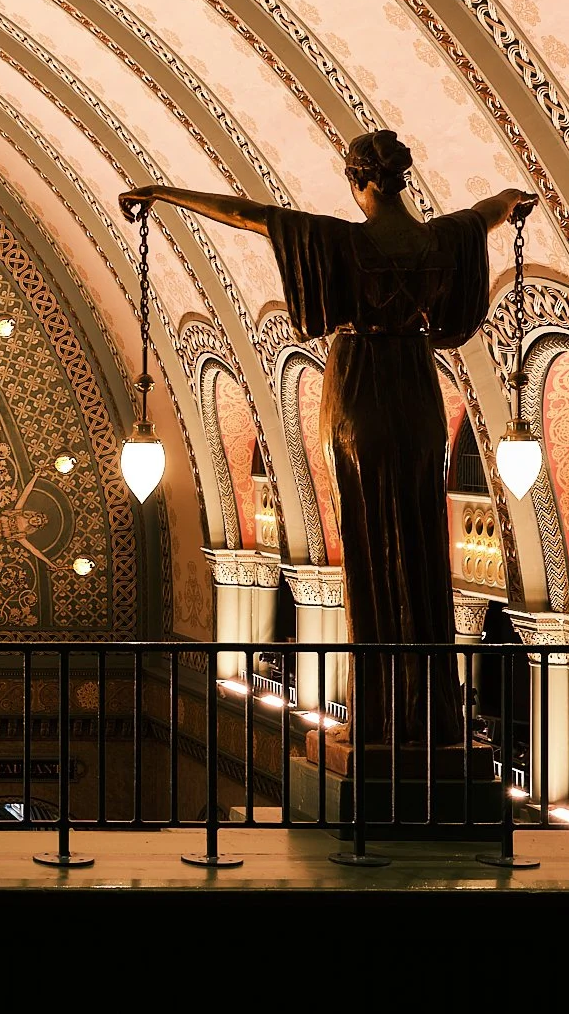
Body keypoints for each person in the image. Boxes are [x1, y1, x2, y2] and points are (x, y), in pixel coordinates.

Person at [120, 130, 536, 751]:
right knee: (421, 537)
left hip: (360, 388)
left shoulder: (339, 241)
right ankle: (430, 720)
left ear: (359, 181)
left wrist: (166, 193)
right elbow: (492, 210)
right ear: (401, 179)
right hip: (419, 390)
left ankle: (380, 716)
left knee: (369, 538)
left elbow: (249, 215)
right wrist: (513, 198)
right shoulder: (444, 239)